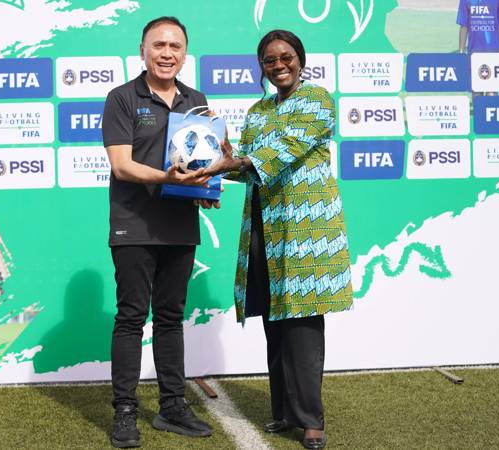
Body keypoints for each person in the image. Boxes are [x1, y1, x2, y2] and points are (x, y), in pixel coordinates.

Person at [204, 30, 353, 450]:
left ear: (300, 60)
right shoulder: (257, 110)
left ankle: (312, 421)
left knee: (302, 326)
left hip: (306, 232)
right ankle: (285, 412)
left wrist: (239, 160)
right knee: (275, 324)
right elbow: (244, 167)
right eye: (269, 60)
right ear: (262, 67)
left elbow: (286, 148)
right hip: (263, 227)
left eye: (286, 57)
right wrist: (215, 161)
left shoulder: (318, 99)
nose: (279, 65)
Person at [102, 15, 213, 449]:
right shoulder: (122, 97)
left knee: (171, 319)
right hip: (134, 224)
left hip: (181, 225)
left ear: (185, 53)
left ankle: (172, 406)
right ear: (143, 50)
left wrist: (206, 187)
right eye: (158, 45)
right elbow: (121, 164)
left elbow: (201, 164)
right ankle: (125, 411)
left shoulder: (197, 99)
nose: (167, 53)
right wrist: (170, 179)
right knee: (131, 317)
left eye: (176, 47)